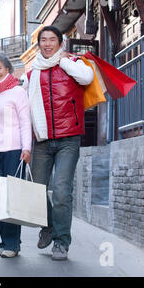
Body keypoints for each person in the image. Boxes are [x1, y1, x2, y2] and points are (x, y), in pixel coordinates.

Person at [23, 26, 94, 260]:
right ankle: (49, 226)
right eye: (43, 40)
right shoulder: (32, 72)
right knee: (35, 190)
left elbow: (87, 77)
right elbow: (21, 102)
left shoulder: (73, 62)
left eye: (52, 39)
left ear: (60, 42)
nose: (47, 44)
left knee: (62, 191)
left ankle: (61, 242)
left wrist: (63, 62)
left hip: (68, 138)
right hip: (42, 139)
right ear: (38, 44)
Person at [0, 51, 32, 258]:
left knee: (12, 200)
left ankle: (10, 244)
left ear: (8, 69)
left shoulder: (18, 92)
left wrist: (26, 148)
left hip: (14, 151)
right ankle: (8, 240)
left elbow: (25, 121)